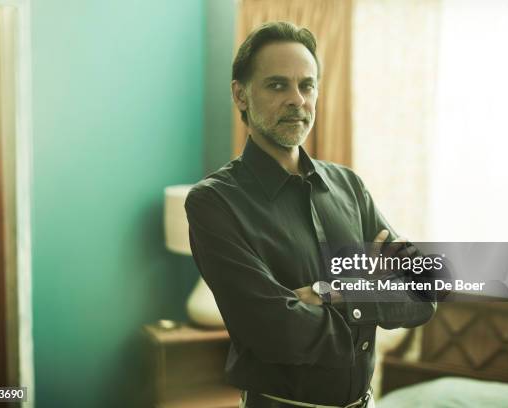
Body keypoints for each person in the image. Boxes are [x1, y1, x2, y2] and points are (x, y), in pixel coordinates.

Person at [185, 21, 436, 408]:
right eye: (277, 85)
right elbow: (275, 332)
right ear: (240, 94)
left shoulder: (349, 186)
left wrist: (327, 292)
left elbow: (424, 292)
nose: (297, 100)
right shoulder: (214, 203)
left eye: (307, 85)